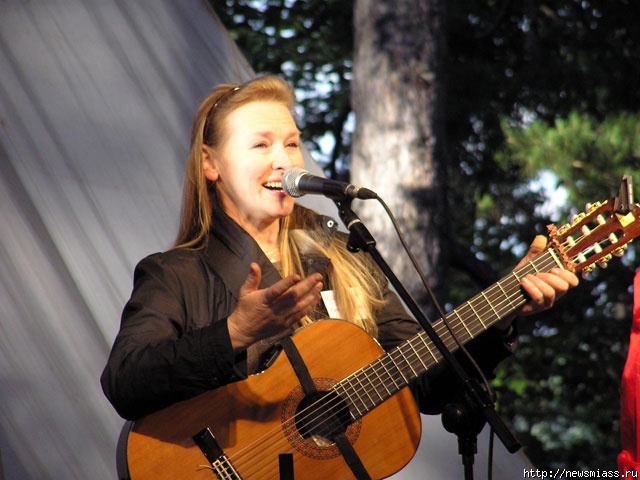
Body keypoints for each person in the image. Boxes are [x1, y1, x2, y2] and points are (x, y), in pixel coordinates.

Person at [100, 75, 578, 429]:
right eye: (261, 145)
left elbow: (427, 382)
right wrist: (235, 332)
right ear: (211, 163)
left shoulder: (341, 253)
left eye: (292, 143)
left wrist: (501, 315)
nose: (284, 160)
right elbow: (125, 381)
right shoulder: (176, 273)